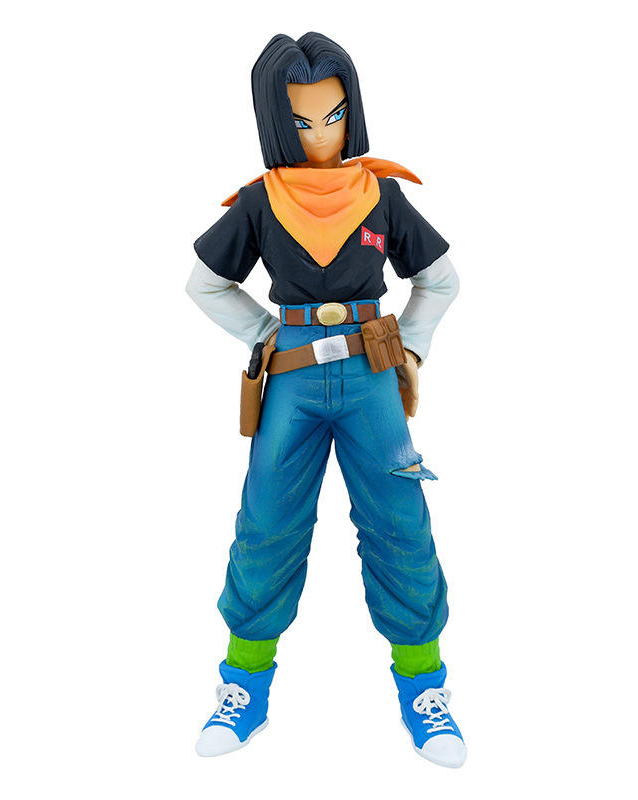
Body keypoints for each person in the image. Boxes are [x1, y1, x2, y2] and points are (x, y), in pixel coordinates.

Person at [187, 32, 465, 768]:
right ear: (277, 122)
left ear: (353, 112)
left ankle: (424, 685)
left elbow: (439, 278)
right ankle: (244, 682)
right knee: (267, 522)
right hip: (294, 380)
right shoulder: (260, 201)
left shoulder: (380, 194)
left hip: (372, 374)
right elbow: (205, 283)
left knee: (400, 521)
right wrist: (265, 337)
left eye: (333, 116)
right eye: (302, 120)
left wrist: (411, 348)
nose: (320, 134)